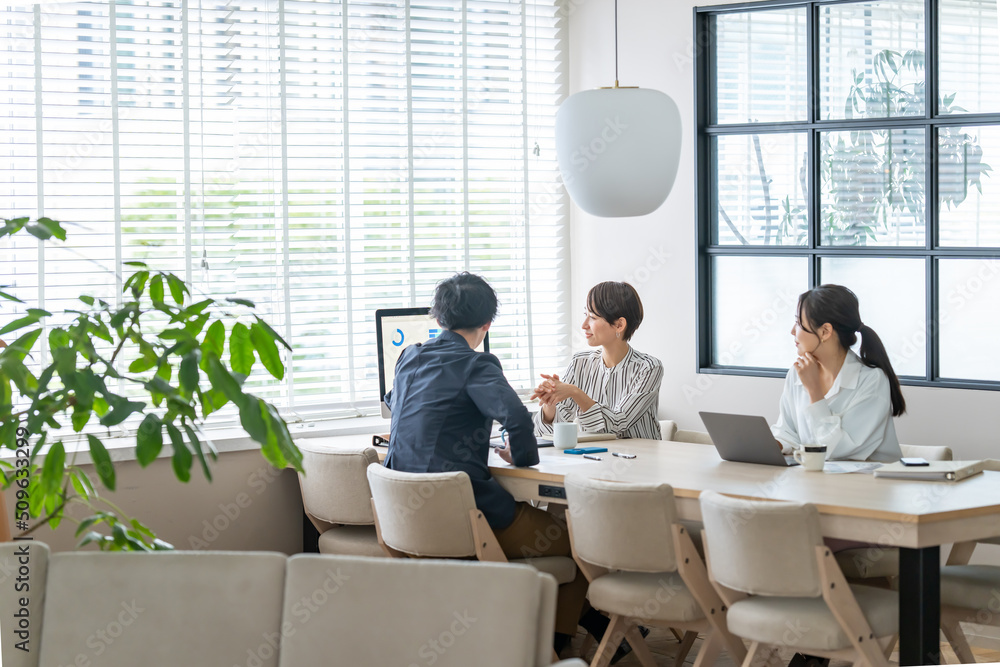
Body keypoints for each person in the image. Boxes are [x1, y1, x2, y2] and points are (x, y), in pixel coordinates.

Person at [385, 272, 618, 657]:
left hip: (407, 524)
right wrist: (520, 457)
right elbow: (518, 419)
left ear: (438, 317)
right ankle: (552, 649)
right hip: (468, 521)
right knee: (581, 545)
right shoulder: (476, 365)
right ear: (487, 323)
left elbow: (394, 401)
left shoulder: (409, 357)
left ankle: (578, 637)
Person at [772, 283, 905, 463]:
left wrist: (814, 392)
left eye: (799, 323)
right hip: (816, 478)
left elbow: (836, 451)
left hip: (867, 479)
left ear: (825, 331)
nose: (792, 331)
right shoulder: (797, 373)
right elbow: (787, 432)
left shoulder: (871, 380)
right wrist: (769, 445)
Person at [532, 281, 663, 440]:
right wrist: (550, 403)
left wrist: (575, 392)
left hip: (641, 455)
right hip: (595, 454)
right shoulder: (580, 363)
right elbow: (547, 433)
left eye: (593, 317)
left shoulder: (649, 368)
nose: (584, 325)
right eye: (585, 315)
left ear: (619, 325)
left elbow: (618, 424)